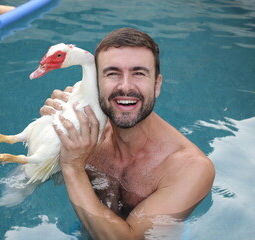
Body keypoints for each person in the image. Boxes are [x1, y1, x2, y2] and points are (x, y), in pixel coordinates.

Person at [41, 28, 215, 239]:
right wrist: (50, 134)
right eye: (112, 73)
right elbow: (22, 182)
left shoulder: (189, 168)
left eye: (139, 73)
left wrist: (72, 166)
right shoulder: (86, 129)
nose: (125, 87)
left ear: (157, 85)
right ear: (96, 83)